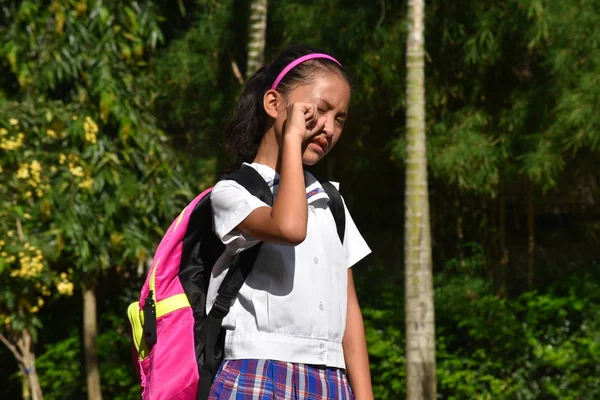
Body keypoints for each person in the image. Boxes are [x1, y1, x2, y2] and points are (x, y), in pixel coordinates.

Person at [207, 45, 373, 399]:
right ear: (273, 105)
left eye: (340, 118)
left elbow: (349, 309)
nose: (328, 127)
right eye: (318, 110)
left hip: (333, 379)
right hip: (258, 371)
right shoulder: (233, 192)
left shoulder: (332, 202)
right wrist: (293, 138)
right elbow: (289, 228)